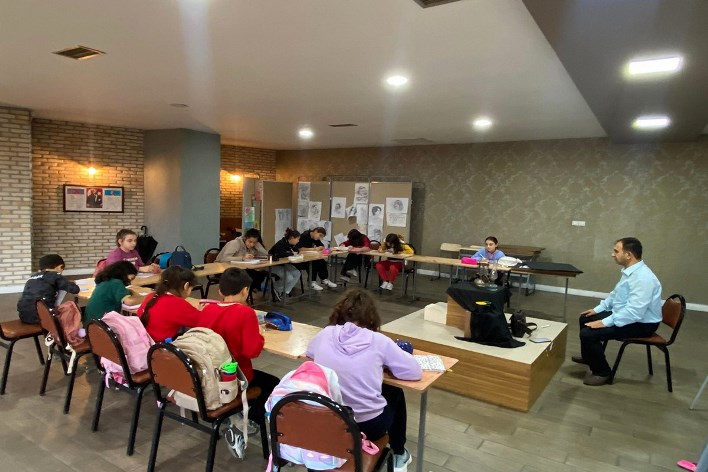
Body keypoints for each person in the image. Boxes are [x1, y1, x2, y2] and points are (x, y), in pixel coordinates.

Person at [306, 289, 421, 472]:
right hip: (367, 426)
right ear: (372, 317)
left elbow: (310, 352)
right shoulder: (379, 341)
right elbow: (414, 372)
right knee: (395, 392)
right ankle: (399, 452)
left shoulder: (326, 333)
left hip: (328, 419)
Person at [197, 268, 280, 439]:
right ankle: (245, 423)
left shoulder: (207, 310)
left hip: (210, 374)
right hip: (235, 376)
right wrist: (259, 336)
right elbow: (252, 351)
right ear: (245, 290)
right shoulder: (245, 313)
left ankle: (240, 417)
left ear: (220, 291)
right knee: (273, 383)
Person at [573, 237, 662, 386]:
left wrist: (605, 322)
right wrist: (597, 310)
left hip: (642, 324)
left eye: (616, 251)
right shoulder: (630, 272)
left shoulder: (643, 278)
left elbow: (635, 312)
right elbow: (616, 295)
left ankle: (603, 373)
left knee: (588, 334)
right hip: (628, 316)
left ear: (628, 255)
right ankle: (590, 357)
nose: (612, 254)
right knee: (585, 318)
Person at [138, 266, 202, 342]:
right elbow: (202, 321)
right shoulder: (177, 303)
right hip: (163, 346)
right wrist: (201, 311)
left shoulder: (151, 296)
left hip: (145, 342)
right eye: (191, 289)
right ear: (186, 286)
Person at [17, 254, 80, 324]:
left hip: (24, 316)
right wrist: (72, 284)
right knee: (71, 308)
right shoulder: (55, 275)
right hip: (43, 318)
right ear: (59, 267)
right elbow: (75, 290)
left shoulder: (32, 277)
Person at [215, 228, 269, 295]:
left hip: (239, 268)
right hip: (222, 269)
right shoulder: (235, 243)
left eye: (254, 242)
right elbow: (224, 259)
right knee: (249, 276)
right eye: (250, 241)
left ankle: (247, 293)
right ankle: (243, 294)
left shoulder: (252, 246)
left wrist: (259, 247)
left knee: (260, 274)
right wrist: (242, 258)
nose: (252, 244)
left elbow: (266, 255)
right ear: (245, 238)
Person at [267, 228, 302, 300]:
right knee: (289, 277)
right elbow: (279, 254)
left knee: (297, 273)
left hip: (284, 263)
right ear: (292, 238)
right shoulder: (281, 243)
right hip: (273, 264)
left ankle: (286, 291)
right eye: (297, 239)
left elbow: (297, 250)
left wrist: (294, 252)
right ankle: (276, 288)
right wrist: (291, 253)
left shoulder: (291, 244)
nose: (298, 241)